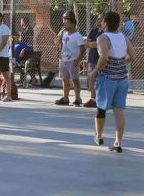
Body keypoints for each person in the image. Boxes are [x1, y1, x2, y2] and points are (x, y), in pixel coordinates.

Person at [88, 12, 134, 153]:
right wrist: (119, 62)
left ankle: (99, 135)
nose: (101, 23)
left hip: (107, 78)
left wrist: (94, 72)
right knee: (118, 110)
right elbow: (132, 56)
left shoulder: (103, 37)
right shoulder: (123, 37)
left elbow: (104, 58)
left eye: (102, 21)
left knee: (101, 108)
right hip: (122, 79)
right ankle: (118, 143)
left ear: (106, 23)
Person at [55, 14, 85, 106]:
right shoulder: (64, 33)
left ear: (72, 24)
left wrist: (78, 59)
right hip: (64, 60)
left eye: (67, 23)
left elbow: (82, 48)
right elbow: (59, 43)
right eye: (64, 23)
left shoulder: (78, 36)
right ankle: (65, 98)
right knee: (65, 79)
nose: (65, 25)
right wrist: (60, 51)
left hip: (73, 61)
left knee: (75, 80)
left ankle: (77, 98)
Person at [84, 13, 105, 108]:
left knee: (102, 80)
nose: (98, 20)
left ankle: (102, 99)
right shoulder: (93, 31)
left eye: (101, 19)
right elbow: (87, 44)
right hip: (92, 58)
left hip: (102, 59)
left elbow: (100, 44)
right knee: (91, 79)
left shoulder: (106, 32)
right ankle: (93, 99)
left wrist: (94, 43)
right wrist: (97, 43)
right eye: (98, 18)